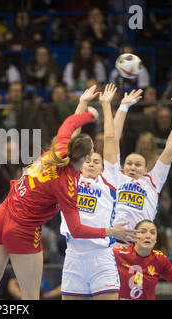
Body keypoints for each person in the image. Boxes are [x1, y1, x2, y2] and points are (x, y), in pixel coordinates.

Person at [0, 85, 138, 300]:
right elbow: (77, 230)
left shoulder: (58, 150)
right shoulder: (67, 185)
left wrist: (86, 108)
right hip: (22, 229)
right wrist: (111, 232)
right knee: (31, 297)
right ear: (87, 158)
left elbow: (70, 124)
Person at [59, 84, 132, 300]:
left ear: (103, 167)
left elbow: (110, 140)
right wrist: (82, 103)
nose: (91, 162)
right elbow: (72, 140)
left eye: (96, 160)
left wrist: (106, 105)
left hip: (100, 257)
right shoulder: (71, 176)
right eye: (88, 159)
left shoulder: (109, 180)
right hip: (72, 256)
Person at [113, 93, 172, 230]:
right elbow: (113, 139)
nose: (133, 167)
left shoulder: (152, 181)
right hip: (113, 242)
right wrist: (123, 106)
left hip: (140, 242)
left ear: (146, 170)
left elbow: (169, 150)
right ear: (123, 166)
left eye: (138, 164)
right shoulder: (116, 176)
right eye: (129, 163)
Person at [113, 220, 172, 300]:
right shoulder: (117, 253)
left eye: (152, 233)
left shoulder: (159, 259)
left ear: (155, 240)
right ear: (134, 236)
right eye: (143, 232)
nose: (148, 236)